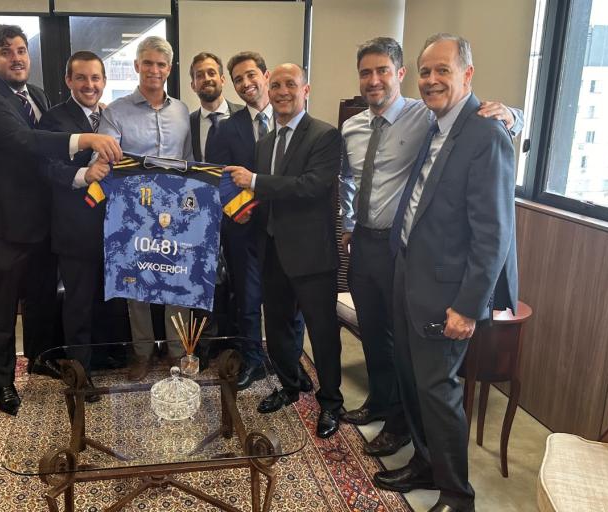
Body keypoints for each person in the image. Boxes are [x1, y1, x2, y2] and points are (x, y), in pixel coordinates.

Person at [339, 37, 522, 458]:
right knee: (376, 335)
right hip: (366, 242)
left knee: (409, 353)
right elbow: (346, 180)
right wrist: (349, 224)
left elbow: (490, 123)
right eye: (365, 72)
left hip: (406, 250)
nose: (374, 80)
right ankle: (380, 404)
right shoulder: (352, 126)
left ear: (400, 74)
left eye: (383, 70)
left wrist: (514, 114)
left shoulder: (427, 115)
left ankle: (402, 426)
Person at [0, 24, 121, 415]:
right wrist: (85, 141)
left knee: (40, 299)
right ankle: (1, 381)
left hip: (41, 221)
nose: (16, 57)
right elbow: (25, 142)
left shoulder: (32, 94)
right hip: (4, 224)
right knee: (2, 306)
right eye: (6, 52)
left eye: (21, 50)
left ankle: (39, 358)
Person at [226, 63, 343, 439]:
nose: (281, 91)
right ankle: (290, 386)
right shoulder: (264, 144)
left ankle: (331, 403)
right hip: (272, 250)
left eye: (289, 84)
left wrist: (256, 181)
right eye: (274, 85)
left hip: (312, 256)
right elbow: (266, 196)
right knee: (276, 328)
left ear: (305, 89)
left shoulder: (325, 136)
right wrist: (246, 211)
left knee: (322, 335)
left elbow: (311, 187)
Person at [206, 52, 311, 392]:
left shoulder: (293, 119)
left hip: (288, 231)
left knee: (290, 305)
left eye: (251, 75)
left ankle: (291, 365)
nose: (245, 83)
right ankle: (252, 360)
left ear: (265, 76)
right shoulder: (226, 129)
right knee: (249, 302)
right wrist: (240, 208)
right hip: (245, 230)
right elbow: (219, 179)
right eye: (237, 79)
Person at [95, 35, 192, 380]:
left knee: (176, 284)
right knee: (137, 287)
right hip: (133, 214)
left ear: (169, 69)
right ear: (136, 66)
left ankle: (177, 352)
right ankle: (142, 353)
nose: (154, 70)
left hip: (177, 215)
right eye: (147, 63)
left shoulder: (182, 111)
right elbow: (102, 160)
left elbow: (189, 161)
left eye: (161, 64)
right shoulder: (116, 112)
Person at [37, 51, 110, 401]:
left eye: (95, 78)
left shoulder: (109, 117)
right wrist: (83, 175)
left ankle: (104, 359)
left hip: (112, 229)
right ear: (68, 81)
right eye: (81, 78)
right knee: (78, 304)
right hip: (74, 229)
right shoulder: (53, 119)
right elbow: (44, 170)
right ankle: (79, 377)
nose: (89, 85)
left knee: (103, 302)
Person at [187, 52, 243, 161]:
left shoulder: (244, 115)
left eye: (211, 73)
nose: (207, 79)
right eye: (199, 75)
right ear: (193, 86)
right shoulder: (188, 124)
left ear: (222, 80)